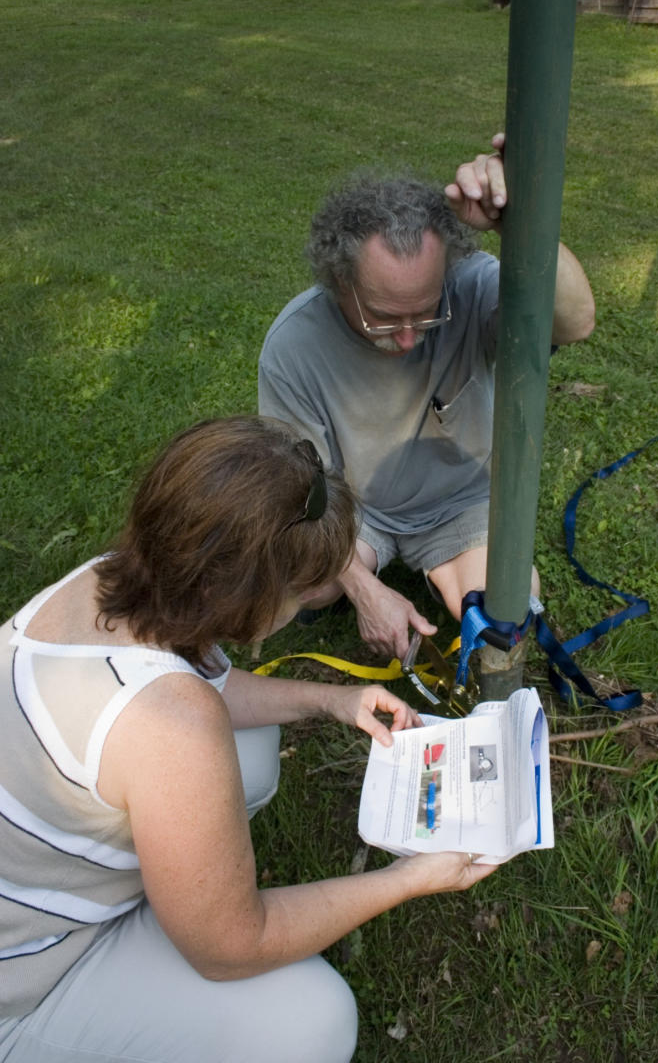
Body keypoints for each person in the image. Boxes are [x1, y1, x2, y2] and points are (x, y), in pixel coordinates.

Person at [0, 415, 496, 1063]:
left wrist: (331, 701)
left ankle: (177, 894)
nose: (305, 608)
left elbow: (204, 689)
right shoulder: (170, 725)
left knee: (253, 750)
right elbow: (233, 948)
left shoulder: (110, 580)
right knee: (311, 1022)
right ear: (247, 596)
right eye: (303, 593)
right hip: (26, 980)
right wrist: (409, 878)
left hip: (29, 886)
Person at [258, 135, 595, 660]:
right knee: (286, 588)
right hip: (353, 509)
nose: (411, 337)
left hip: (460, 503)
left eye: (426, 311)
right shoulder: (293, 345)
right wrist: (365, 591)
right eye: (385, 317)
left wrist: (519, 223)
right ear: (338, 282)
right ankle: (349, 580)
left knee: (505, 613)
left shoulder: (469, 283)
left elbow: (575, 321)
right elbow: (298, 491)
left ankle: (443, 568)